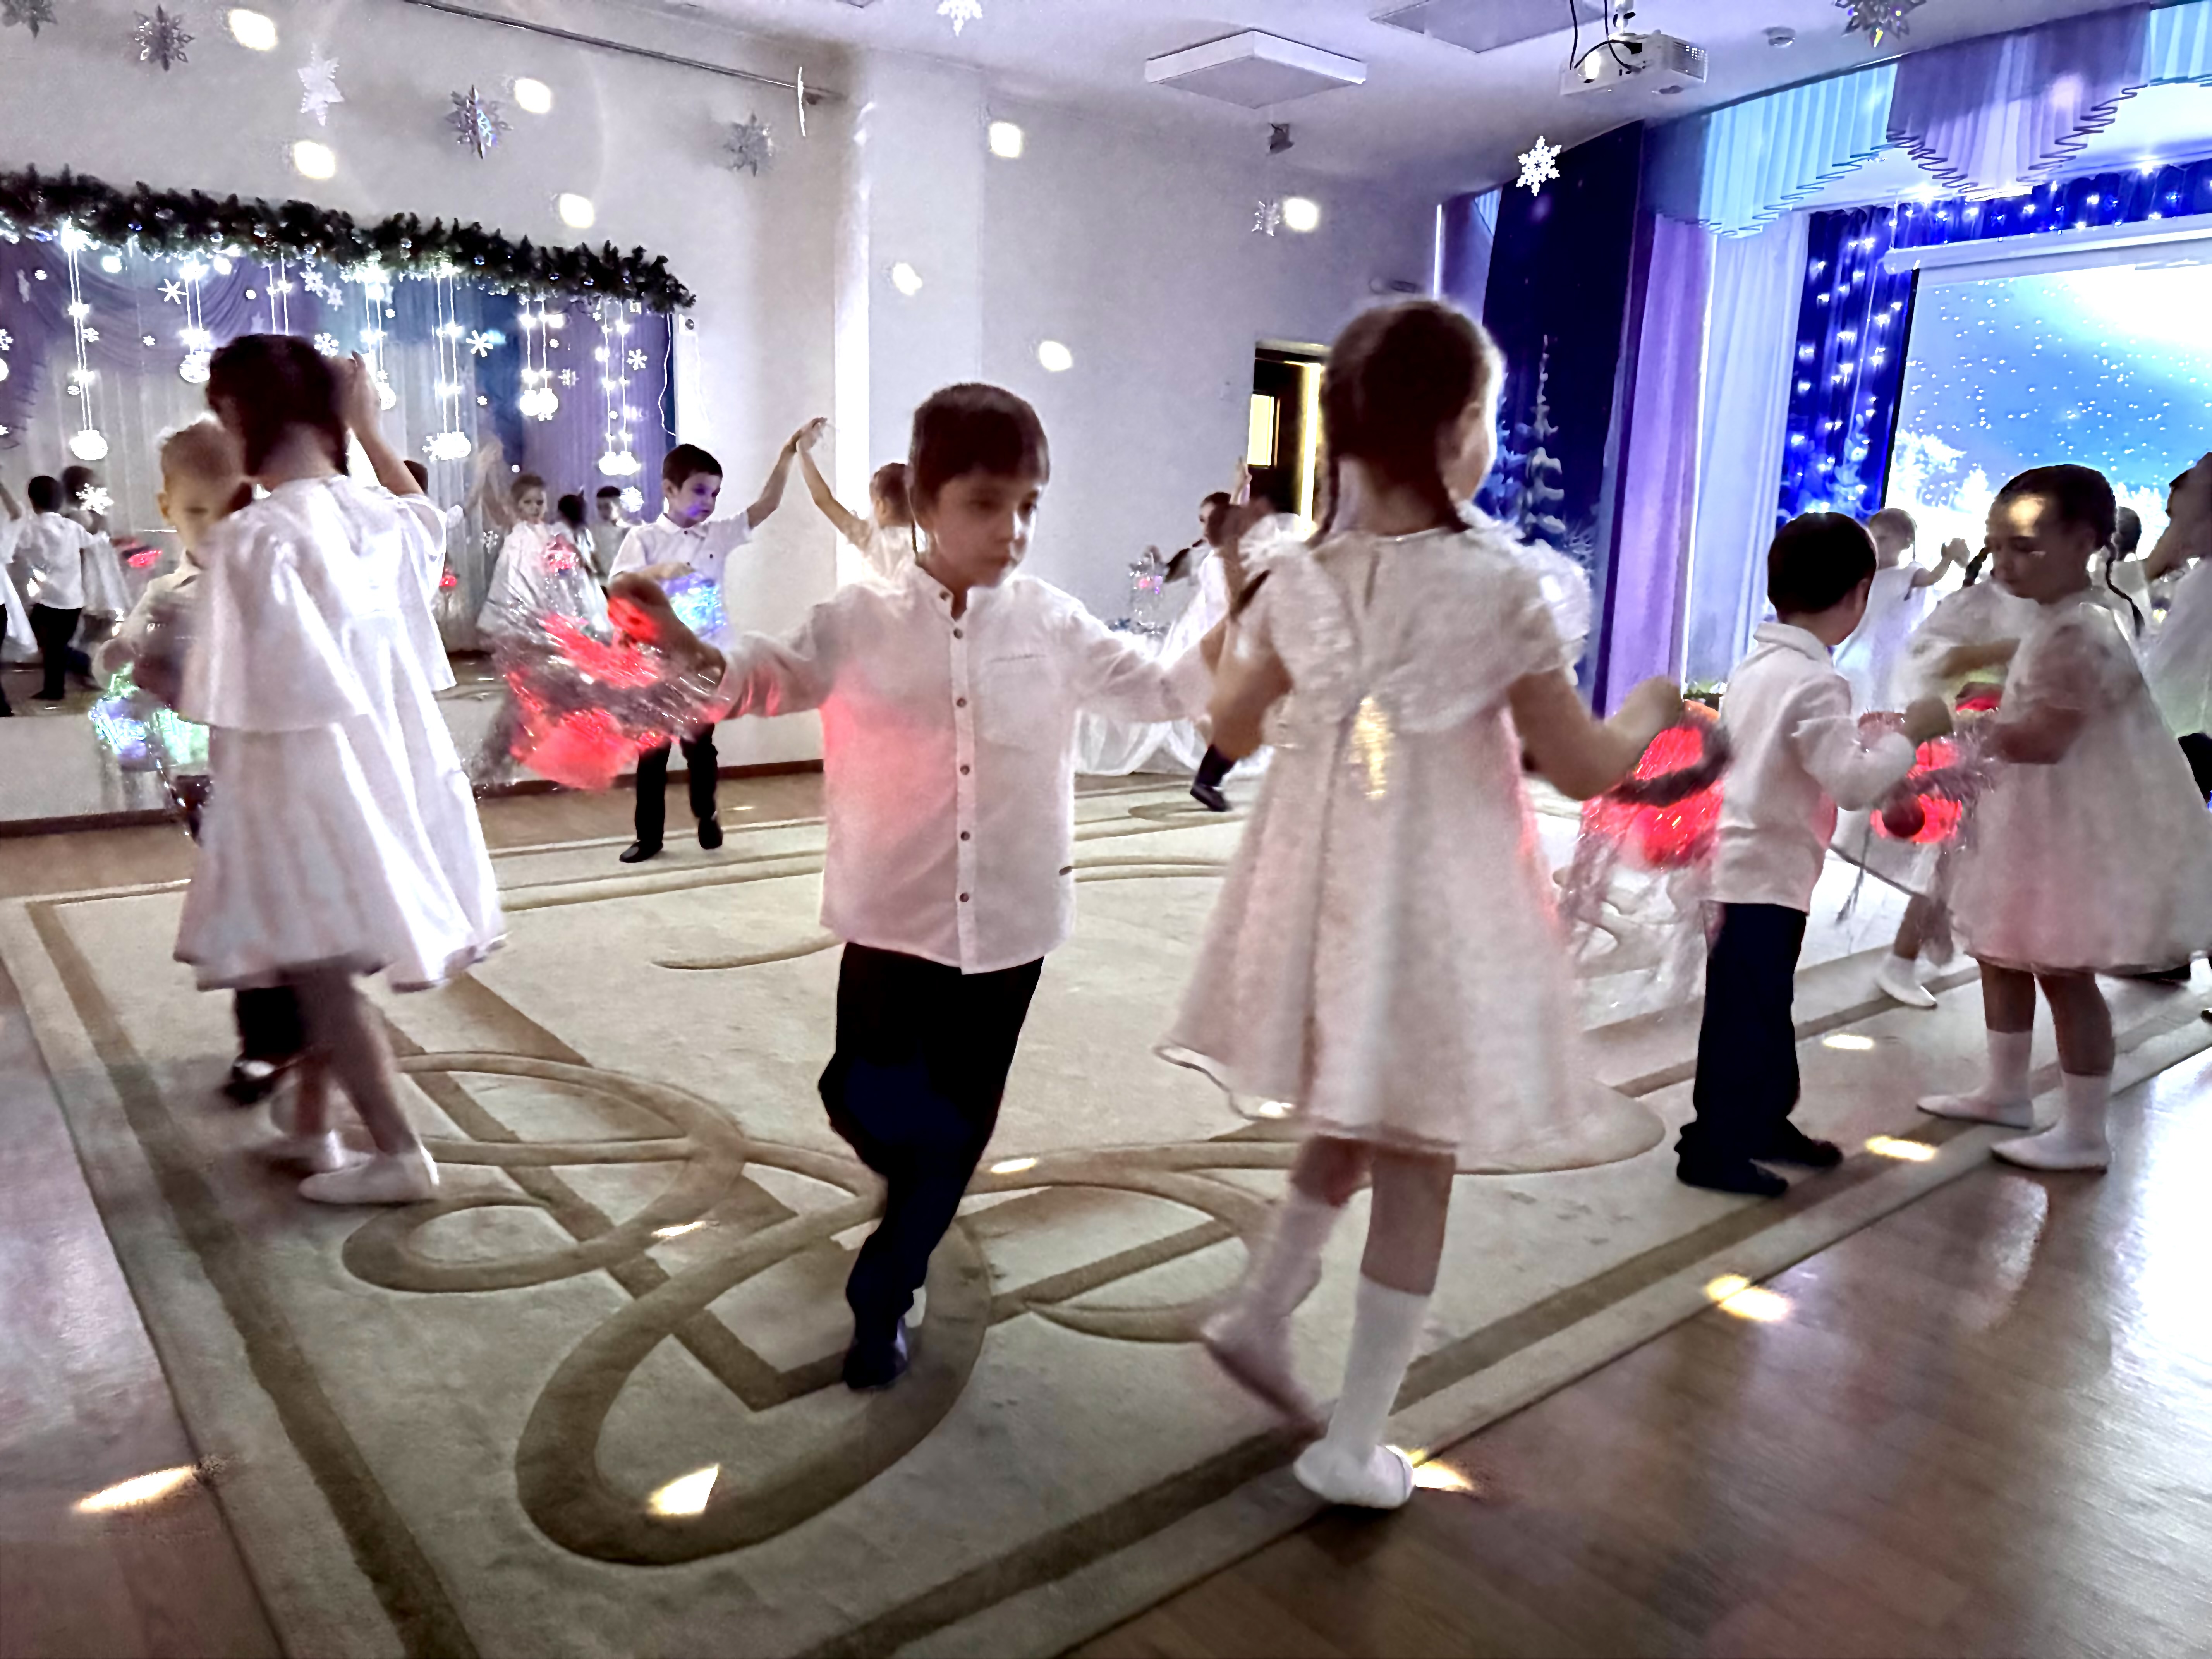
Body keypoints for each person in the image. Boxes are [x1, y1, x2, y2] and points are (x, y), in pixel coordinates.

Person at [1160, 301, 1678, 1510]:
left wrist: (1255, 615)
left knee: (1355, 1105)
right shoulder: (1497, 583)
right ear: (1457, 432)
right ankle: (1353, 1443)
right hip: (1439, 910)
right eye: (1486, 415)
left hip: (1328, 898)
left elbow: (1228, 725)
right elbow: (1580, 764)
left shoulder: (1301, 575)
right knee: (1419, 1154)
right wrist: (1654, 707)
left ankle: (1260, 1312)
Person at [612, 382, 1227, 1392]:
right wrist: (684, 644)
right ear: (928, 501)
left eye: (1029, 505)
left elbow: (1160, 687)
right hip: (892, 916)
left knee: (954, 1132)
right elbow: (772, 673)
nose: (1013, 529)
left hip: (1013, 924)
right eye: (987, 504)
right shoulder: (863, 617)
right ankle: (910, 1193)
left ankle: (884, 1291)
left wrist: (1252, 616)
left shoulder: (1053, 622)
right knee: (863, 1097)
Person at [178, 335, 502, 1204]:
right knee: (321, 955)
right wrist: (371, 429)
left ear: (240, 415)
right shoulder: (378, 518)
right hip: (389, 763)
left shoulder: (256, 537)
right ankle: (315, 1123)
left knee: (319, 965)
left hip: (304, 776)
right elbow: (425, 516)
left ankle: (400, 1153)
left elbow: (240, 693)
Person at [1922, 466, 2212, 1168]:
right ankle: (2004, 1089)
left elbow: (2046, 739)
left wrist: (1957, 728)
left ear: (2084, 541)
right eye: (1998, 546)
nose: (2006, 564)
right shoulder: (2053, 619)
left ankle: (2084, 1131)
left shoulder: (2081, 629)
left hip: (2066, 831)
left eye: (2025, 546)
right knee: (2001, 952)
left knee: (2061, 971)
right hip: (2027, 819)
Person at [1678, 514, 1949, 1198]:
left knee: (1759, 1008)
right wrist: (1911, 734)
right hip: (1762, 875)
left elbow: (1794, 752)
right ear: (1860, 594)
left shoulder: (1760, 664)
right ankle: (1713, 1146)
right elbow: (1853, 784)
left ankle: (1762, 1121)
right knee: (1746, 1016)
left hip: (1740, 864)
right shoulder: (1815, 680)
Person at [91, 421, 307, 1105]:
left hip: (291, 769)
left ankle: (303, 1025)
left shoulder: (275, 578)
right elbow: (118, 662)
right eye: (195, 511)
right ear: (168, 509)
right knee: (247, 907)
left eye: (233, 508)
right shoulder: (168, 593)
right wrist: (127, 661)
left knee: (298, 901)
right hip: (218, 776)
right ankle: (267, 1038)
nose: (216, 527)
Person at [609, 429, 809, 863]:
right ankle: (649, 836)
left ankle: (707, 815)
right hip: (655, 663)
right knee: (652, 752)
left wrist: (788, 454)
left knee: (700, 748)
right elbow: (619, 585)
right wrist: (659, 571)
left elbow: (767, 505)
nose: (709, 501)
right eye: (699, 491)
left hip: (704, 662)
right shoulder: (644, 539)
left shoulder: (717, 534)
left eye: (715, 493)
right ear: (669, 489)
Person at [1863, 565, 2042, 1008]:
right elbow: (1926, 658)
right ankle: (1903, 958)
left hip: (2015, 749)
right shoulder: (1976, 602)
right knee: (1955, 858)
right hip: (1979, 747)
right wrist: (2004, 657)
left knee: (1969, 862)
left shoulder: (2059, 604)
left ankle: (1914, 953)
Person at [1832, 507, 1961, 713]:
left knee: (1881, 697)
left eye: (1883, 539)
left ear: (1906, 542)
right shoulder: (1865, 574)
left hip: (1888, 654)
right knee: (1852, 694)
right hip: (1858, 646)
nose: (1876, 545)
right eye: (1872, 539)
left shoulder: (1909, 573)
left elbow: (1932, 577)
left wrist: (1947, 560)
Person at [7, 475, 102, 702]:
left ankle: (59, 686)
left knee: (41, 642)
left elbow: (12, 549)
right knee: (56, 646)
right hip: (72, 601)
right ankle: (77, 670)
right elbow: (93, 541)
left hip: (47, 599)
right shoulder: (71, 528)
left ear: (32, 501)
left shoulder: (30, 529)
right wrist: (102, 528)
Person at [479, 474, 608, 639]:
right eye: (528, 503)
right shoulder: (518, 533)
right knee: (521, 626)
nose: (535, 508)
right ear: (518, 506)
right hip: (523, 583)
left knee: (550, 625)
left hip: (547, 585)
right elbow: (510, 567)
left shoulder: (551, 532)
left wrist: (567, 558)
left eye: (540, 503)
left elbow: (568, 554)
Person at [794, 423, 919, 589]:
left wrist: (803, 450)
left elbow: (823, 499)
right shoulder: (923, 541)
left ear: (881, 506)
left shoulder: (870, 537)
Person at [587, 486, 628, 584]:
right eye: (599, 508)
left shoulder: (631, 531)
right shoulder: (593, 532)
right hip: (602, 583)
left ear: (620, 506)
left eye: (607, 507)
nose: (603, 512)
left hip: (626, 583)